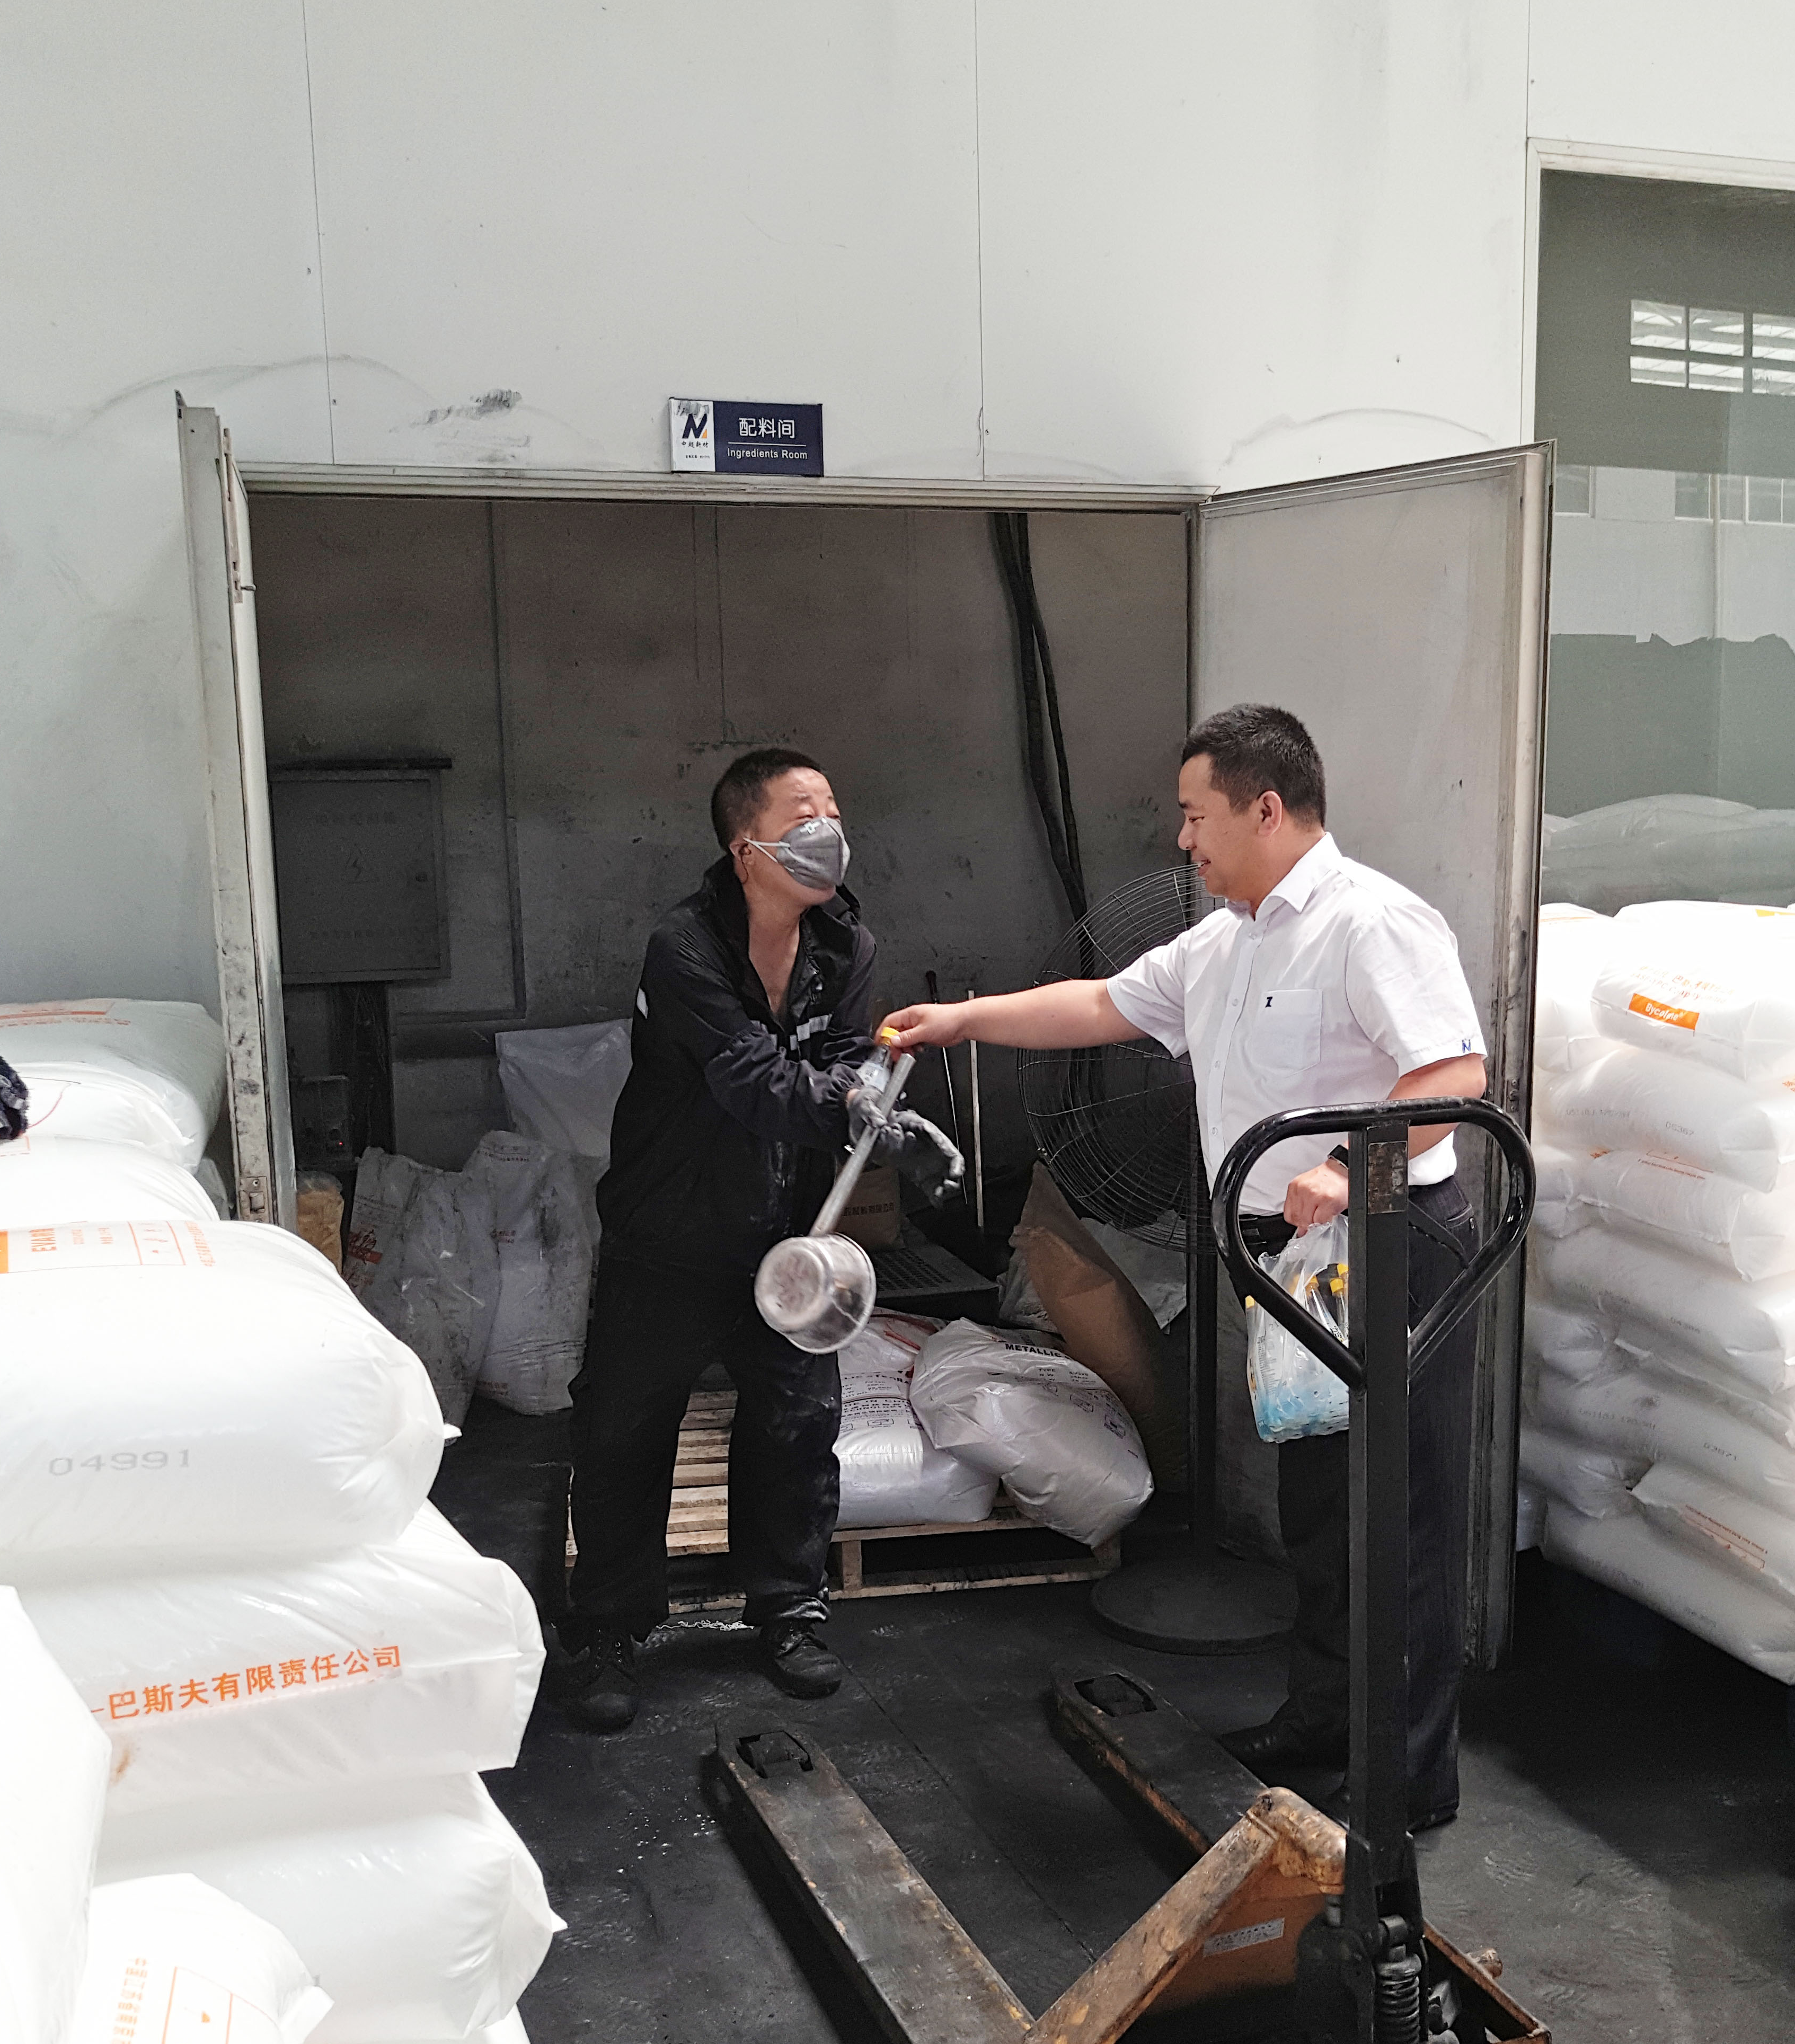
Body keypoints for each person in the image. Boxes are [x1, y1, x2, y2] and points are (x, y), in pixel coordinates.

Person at [885, 703, 1488, 1828]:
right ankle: (1325, 1724)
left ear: (1267, 808)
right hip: (1295, 1264)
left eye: (1197, 815)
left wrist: (1348, 1168)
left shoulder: (1371, 922)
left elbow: (1453, 1074)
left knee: (1397, 1519)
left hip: (1389, 1243)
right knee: (1324, 1516)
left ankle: (1405, 1781)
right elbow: (1102, 1004)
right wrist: (964, 1021)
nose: (1183, 839)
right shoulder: (1226, 940)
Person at [553, 748, 913, 1732]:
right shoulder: (685, 948)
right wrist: (853, 1102)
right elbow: (755, 1080)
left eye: (833, 809)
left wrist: (864, 1093)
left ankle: (789, 1610)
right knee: (624, 1431)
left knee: (795, 1425)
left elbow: (847, 1061)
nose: (828, 831)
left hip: (788, 1236)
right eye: (803, 815)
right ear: (747, 848)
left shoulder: (845, 945)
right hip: (665, 1234)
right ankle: (609, 1630)